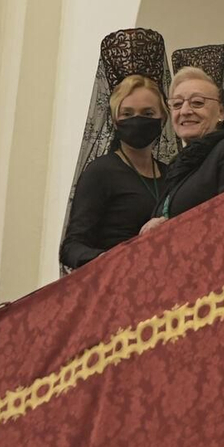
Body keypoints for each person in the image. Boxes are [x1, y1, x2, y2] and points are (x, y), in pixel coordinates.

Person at [58, 28, 177, 272]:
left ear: (163, 118)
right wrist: (110, 260)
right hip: (118, 285)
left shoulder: (171, 174)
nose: (138, 120)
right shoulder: (101, 172)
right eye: (128, 114)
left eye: (147, 114)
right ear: (114, 120)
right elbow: (72, 246)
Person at [145, 46, 224, 228]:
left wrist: (170, 228)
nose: (185, 111)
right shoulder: (179, 167)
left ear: (221, 112)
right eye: (177, 104)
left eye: (197, 103)